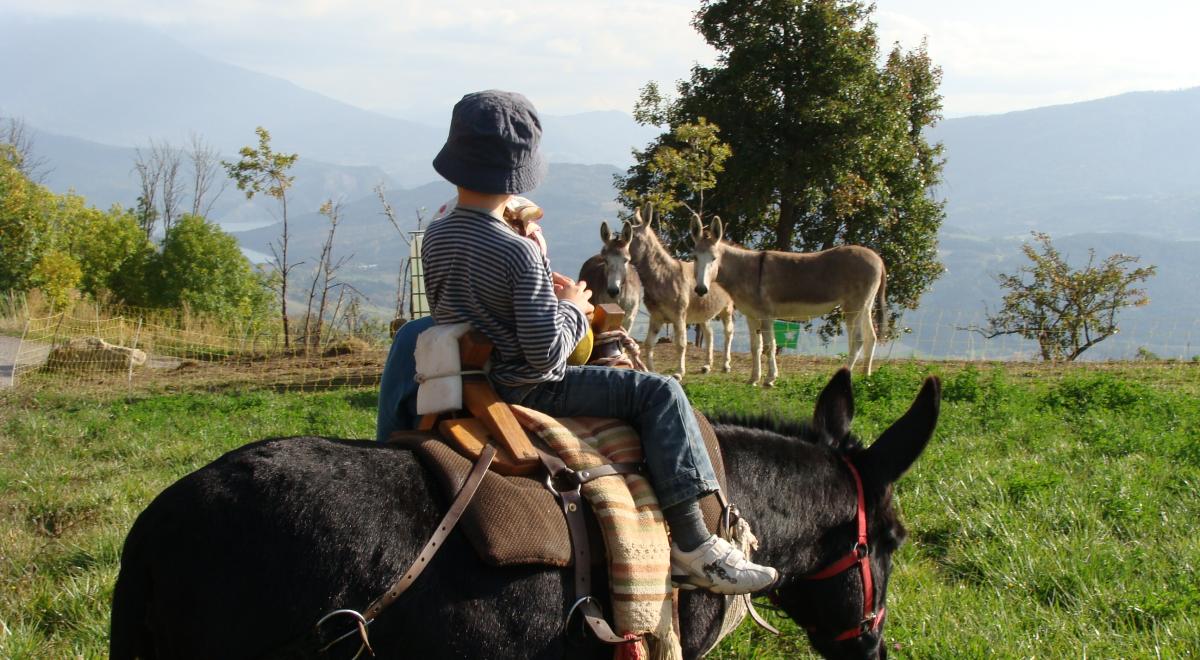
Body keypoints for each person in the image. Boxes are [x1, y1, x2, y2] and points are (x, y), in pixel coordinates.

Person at [420, 90, 777, 595]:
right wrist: (572, 306)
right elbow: (546, 354)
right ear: (518, 177)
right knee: (661, 393)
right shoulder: (518, 252)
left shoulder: (437, 233)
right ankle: (693, 544)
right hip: (526, 384)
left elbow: (465, 303)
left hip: (469, 378)